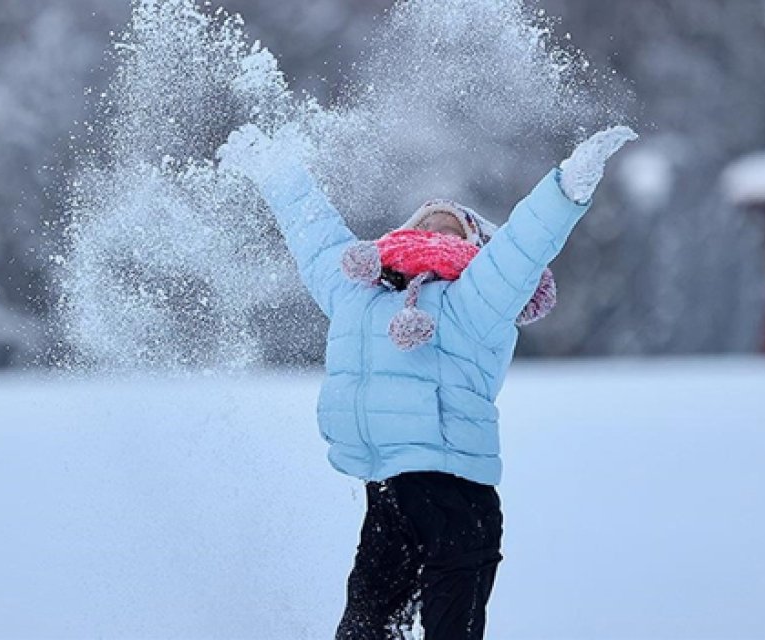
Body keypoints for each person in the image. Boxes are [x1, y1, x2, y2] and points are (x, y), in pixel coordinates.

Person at [217, 123, 636, 639]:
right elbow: (316, 235)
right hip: (389, 494)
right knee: (363, 630)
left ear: (478, 247)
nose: (436, 235)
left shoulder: (477, 299)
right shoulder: (359, 295)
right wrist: (276, 172)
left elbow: (523, 247)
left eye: (452, 230)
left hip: (458, 497)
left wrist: (567, 186)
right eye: (426, 226)